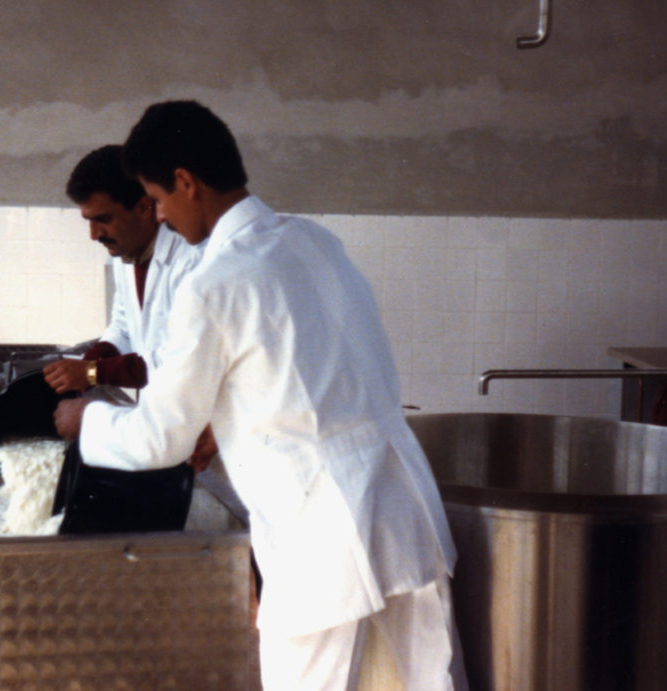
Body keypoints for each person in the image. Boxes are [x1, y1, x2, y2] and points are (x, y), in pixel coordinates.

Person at [54, 101, 467, 690]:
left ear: (186, 183)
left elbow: (159, 438)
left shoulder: (213, 282)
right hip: (404, 512)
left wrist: (87, 417)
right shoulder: (315, 240)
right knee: (432, 682)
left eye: (160, 199)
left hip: (320, 530)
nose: (163, 216)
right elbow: (304, 377)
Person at [42, 144, 201, 396]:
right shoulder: (126, 250)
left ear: (144, 208)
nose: (94, 235)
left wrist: (92, 372)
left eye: (103, 220)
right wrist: (87, 363)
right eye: (89, 221)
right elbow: (123, 325)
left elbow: (182, 361)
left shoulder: (192, 260)